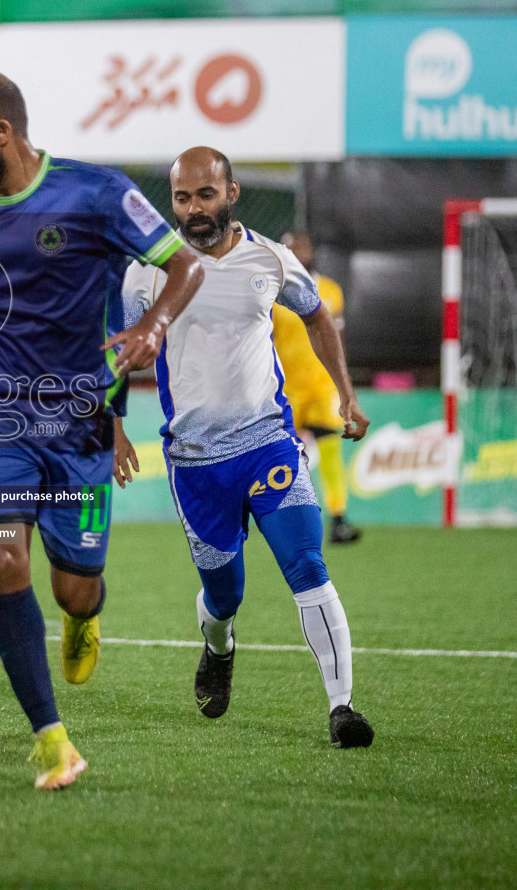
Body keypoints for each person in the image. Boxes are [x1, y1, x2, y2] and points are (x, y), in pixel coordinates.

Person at [0, 72, 203, 790]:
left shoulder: (95, 193)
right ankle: (51, 739)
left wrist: (153, 326)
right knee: (1, 560)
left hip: (80, 424)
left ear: (1, 132)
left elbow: (182, 265)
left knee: (75, 589)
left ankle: (84, 616)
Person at [115, 147, 374, 748]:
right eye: (182, 197)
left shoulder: (272, 259)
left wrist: (346, 395)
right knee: (224, 594)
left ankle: (343, 709)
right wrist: (114, 427)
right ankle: (218, 645)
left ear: (231, 193)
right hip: (197, 464)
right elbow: (118, 351)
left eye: (205, 195)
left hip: (268, 444)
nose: (193, 209)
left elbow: (317, 319)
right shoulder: (145, 274)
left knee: (307, 564)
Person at [272, 232, 361, 544]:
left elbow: (338, 341)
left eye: (303, 247)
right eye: (291, 248)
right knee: (280, 458)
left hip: (322, 387)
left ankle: (338, 520)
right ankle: (281, 519)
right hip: (286, 390)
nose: (298, 252)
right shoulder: (272, 292)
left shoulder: (331, 291)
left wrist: (345, 386)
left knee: (331, 452)